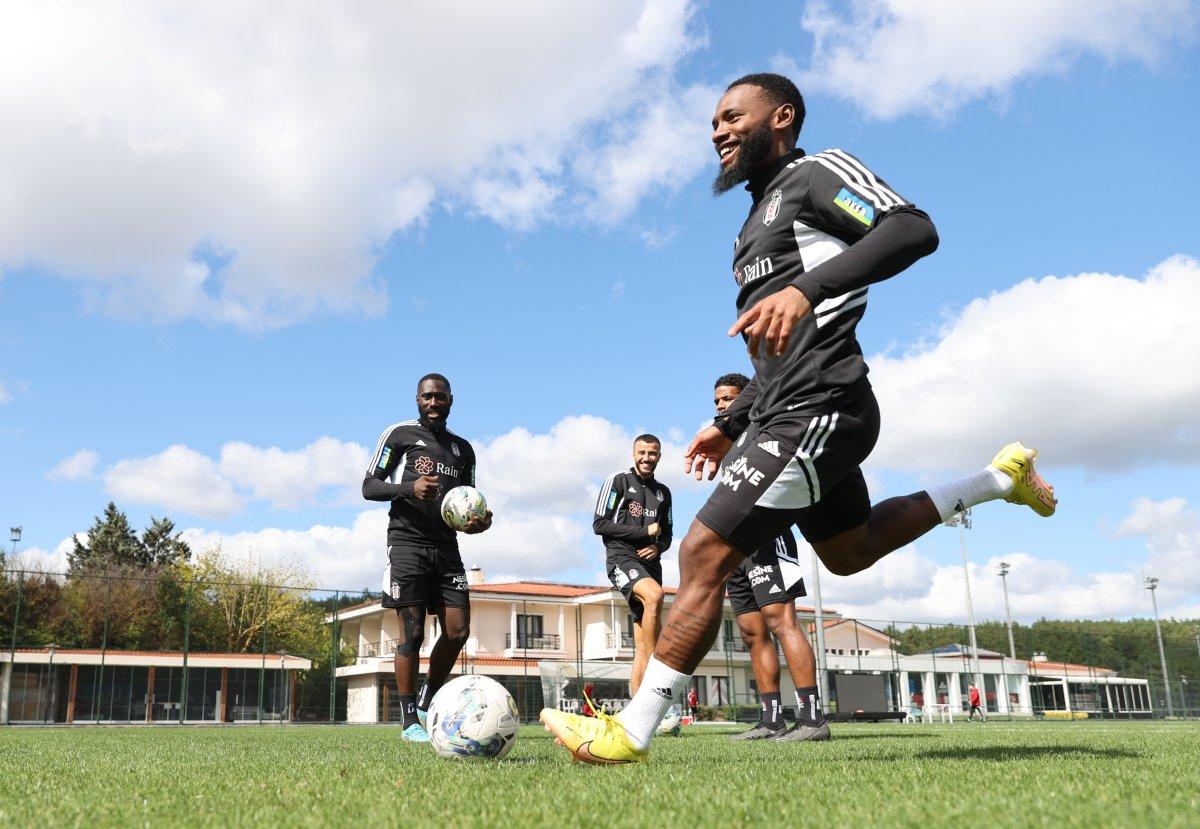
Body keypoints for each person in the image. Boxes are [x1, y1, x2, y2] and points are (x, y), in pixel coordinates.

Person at [541, 72, 1056, 764]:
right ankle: (999, 478)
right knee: (850, 551)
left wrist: (808, 289)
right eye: (713, 123)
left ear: (781, 117)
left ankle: (630, 732)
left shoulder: (816, 174)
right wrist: (733, 420)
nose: (718, 131)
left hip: (823, 403)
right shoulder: (750, 226)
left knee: (701, 553)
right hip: (785, 407)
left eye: (732, 117)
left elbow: (913, 228)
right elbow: (776, 349)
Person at [363, 373, 492, 742]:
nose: (433, 403)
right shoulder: (400, 435)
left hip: (447, 547)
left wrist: (479, 522)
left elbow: (467, 500)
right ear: (417, 400)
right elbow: (369, 486)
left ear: (451, 400)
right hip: (407, 543)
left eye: (440, 397)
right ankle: (409, 722)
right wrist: (410, 488)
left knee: (458, 630)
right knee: (413, 632)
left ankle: (426, 698)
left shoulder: (463, 450)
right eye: (427, 397)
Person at [716, 373, 828, 742]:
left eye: (729, 398)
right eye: (717, 401)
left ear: (747, 398)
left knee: (782, 622)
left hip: (768, 536)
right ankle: (771, 720)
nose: (722, 406)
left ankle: (812, 719)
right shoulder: (730, 444)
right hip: (737, 548)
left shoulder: (766, 429)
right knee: (752, 633)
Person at [594, 435, 673, 695]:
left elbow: (667, 534)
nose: (647, 458)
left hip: (651, 565)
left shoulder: (663, 492)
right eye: (642, 452)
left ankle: (641, 705)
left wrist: (658, 547)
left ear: (659, 456)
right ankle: (657, 673)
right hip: (621, 557)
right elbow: (600, 524)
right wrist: (643, 532)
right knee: (655, 595)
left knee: (641, 643)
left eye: (652, 453)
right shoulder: (618, 480)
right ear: (633, 454)